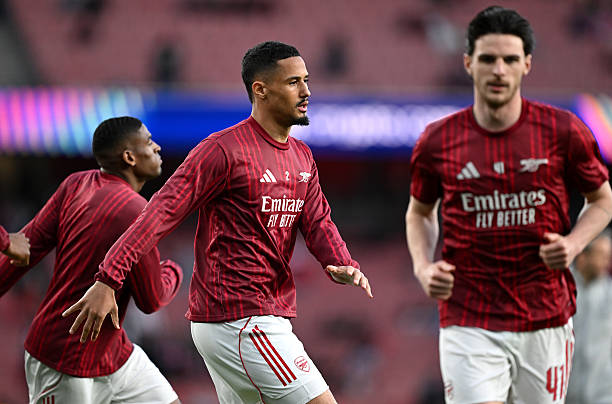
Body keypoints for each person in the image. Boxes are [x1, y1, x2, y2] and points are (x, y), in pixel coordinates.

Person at [64, 41, 373, 404]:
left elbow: (318, 220)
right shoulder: (223, 150)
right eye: (293, 82)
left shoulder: (302, 156)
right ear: (261, 89)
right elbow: (160, 212)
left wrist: (342, 262)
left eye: (306, 80)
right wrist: (109, 277)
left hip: (259, 316)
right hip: (240, 320)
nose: (306, 91)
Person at [405, 6, 612, 404]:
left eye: (510, 59)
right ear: (468, 62)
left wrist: (573, 244)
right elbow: (420, 212)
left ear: (526, 64)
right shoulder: (437, 141)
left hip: (545, 317)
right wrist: (422, 266)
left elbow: (602, 199)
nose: (499, 70)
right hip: (468, 317)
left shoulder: (563, 131)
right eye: (488, 59)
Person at [0, 117, 183, 404]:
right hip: (64, 361)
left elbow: (25, 249)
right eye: (149, 142)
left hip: (114, 357)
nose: (157, 147)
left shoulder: (76, 184)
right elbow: (152, 300)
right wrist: (173, 270)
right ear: (129, 157)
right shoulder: (137, 211)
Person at [567, 230, 612, 404]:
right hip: (566, 393)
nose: (606, 262)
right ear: (583, 257)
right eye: (601, 255)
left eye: (608, 256)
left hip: (603, 395)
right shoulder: (562, 288)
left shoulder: (609, 293)